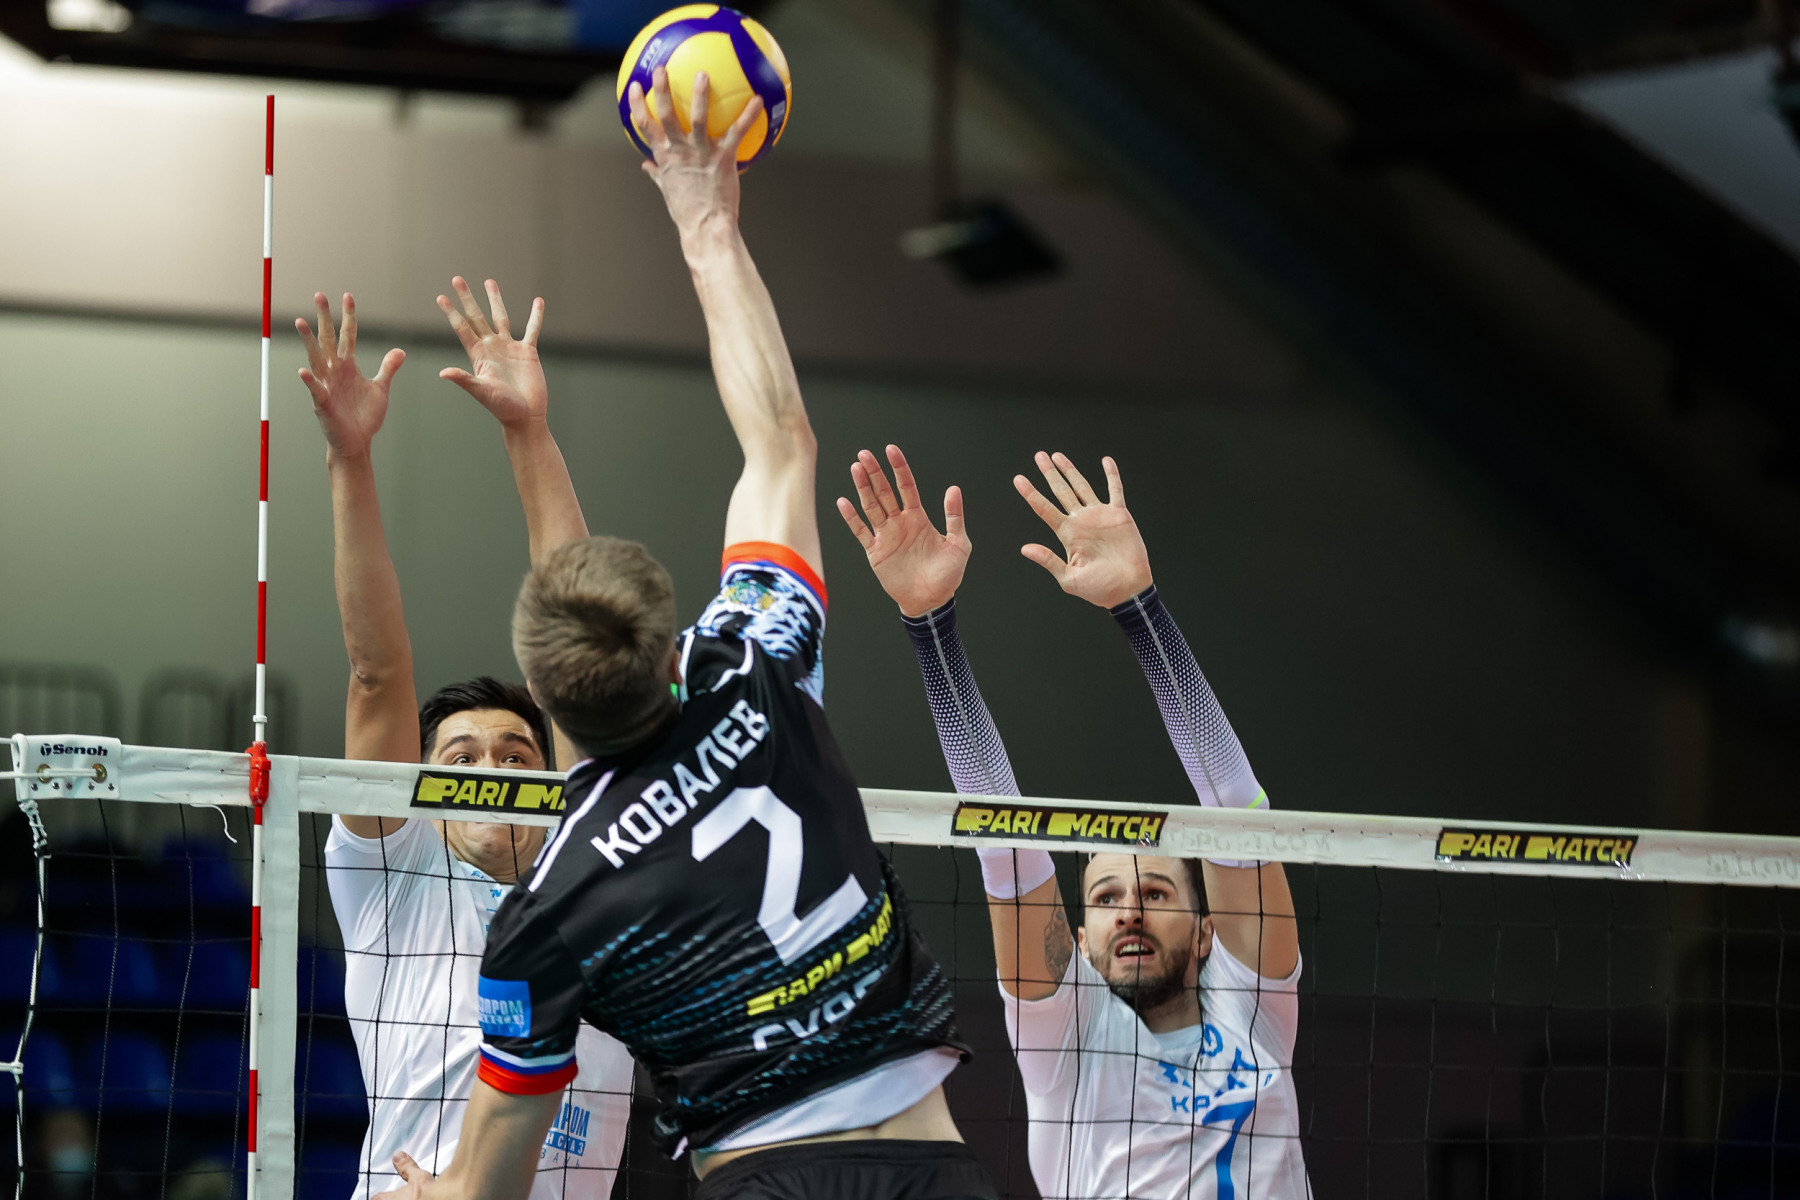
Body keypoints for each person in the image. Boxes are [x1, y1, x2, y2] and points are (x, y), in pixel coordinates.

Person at [377, 68, 993, 1200]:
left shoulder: (548, 908)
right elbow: (781, 442)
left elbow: (489, 1186)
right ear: (672, 651)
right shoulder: (753, 664)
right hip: (932, 1166)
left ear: (544, 701)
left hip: (758, 1178)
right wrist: (707, 222)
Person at [838, 444, 1310, 1199]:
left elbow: (1235, 811)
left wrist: (1139, 607)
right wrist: (929, 625)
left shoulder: (1253, 1011)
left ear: (1207, 932)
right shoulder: (1068, 1041)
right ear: (1080, 942)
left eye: (1156, 893)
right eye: (1106, 898)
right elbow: (1007, 843)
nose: (1129, 911)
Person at [298, 280, 632, 1199]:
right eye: (463, 759)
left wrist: (529, 432)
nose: (494, 771)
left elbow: (582, 645)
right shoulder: (396, 877)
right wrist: (350, 459)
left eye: (518, 757)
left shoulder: (593, 869)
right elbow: (378, 673)